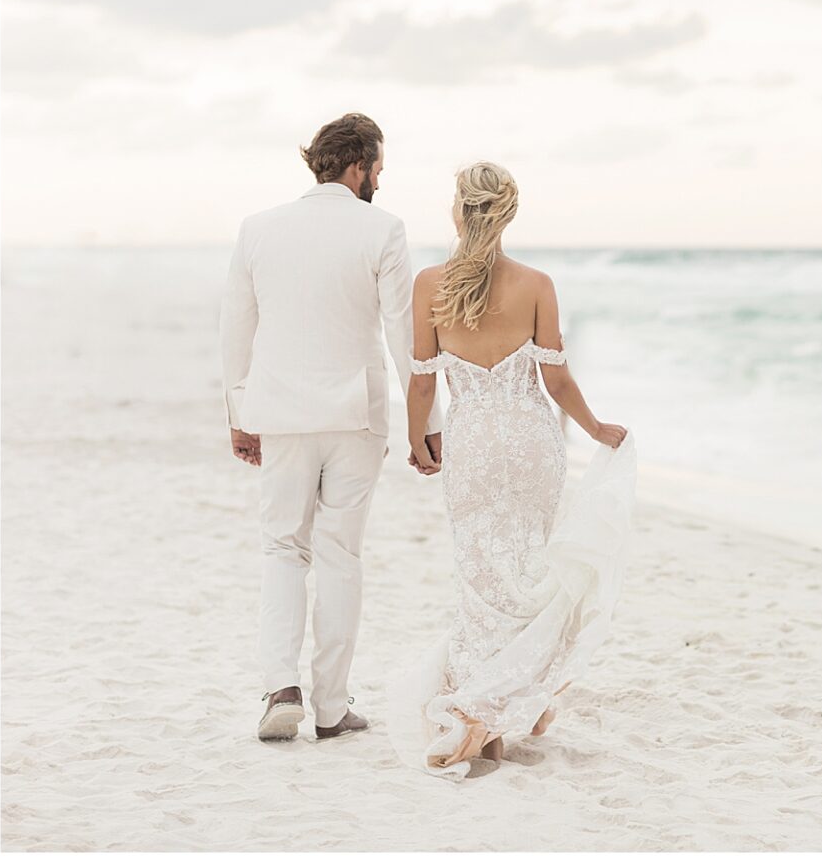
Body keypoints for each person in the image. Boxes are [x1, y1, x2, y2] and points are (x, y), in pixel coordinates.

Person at [385, 161, 636, 778]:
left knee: (481, 581)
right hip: (530, 445)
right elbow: (557, 380)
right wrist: (596, 429)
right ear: (508, 214)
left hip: (472, 444)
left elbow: (423, 384)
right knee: (531, 574)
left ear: (458, 210)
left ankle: (487, 716)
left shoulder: (429, 285)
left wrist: (418, 439)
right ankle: (501, 706)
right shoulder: (537, 284)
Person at [220, 113, 444, 743]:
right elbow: (404, 334)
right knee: (341, 555)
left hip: (280, 415)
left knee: (282, 549)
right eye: (378, 168)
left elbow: (236, 327)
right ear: (357, 164)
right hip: (355, 416)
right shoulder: (383, 229)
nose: (380, 180)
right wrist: (426, 425)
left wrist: (239, 414)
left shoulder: (258, 228)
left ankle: (280, 689)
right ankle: (330, 707)